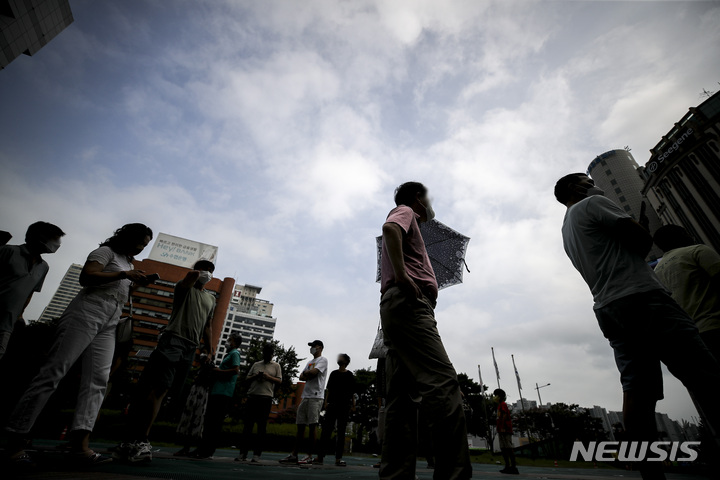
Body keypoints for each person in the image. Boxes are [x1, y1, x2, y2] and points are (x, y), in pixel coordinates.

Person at [555, 173, 720, 479]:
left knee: (637, 392)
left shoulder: (566, 228)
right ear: (573, 188)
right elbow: (641, 242)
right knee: (705, 374)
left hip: (608, 308)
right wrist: (640, 228)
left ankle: (649, 472)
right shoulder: (594, 203)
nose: (591, 182)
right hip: (643, 297)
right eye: (585, 179)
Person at [5, 223, 152, 465]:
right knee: (53, 372)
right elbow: (87, 277)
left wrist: (135, 282)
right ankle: (15, 440)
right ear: (128, 237)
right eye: (140, 242)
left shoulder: (128, 263)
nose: (140, 248)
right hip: (87, 311)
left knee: (98, 380)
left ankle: (79, 444)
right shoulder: (105, 253)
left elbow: (121, 286)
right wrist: (124, 274)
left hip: (111, 318)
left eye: (145, 245)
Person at [379, 182, 472, 480]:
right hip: (409, 305)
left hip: (398, 307)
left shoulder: (414, 226)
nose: (430, 202)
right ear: (418, 198)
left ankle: (396, 474)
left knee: (402, 398)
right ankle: (453, 474)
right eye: (428, 196)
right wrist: (406, 277)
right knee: (443, 384)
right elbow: (391, 229)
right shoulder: (405, 210)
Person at [114, 259, 217, 463]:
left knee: (166, 392)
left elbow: (208, 325)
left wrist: (210, 349)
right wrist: (196, 273)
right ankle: (140, 439)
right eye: (203, 270)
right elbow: (188, 280)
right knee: (158, 388)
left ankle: (135, 439)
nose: (206, 273)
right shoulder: (183, 287)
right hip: (173, 340)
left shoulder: (211, 298)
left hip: (190, 347)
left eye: (210, 271)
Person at [653, 225, 720, 359]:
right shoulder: (698, 251)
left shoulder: (655, 272)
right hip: (715, 325)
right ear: (681, 236)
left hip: (688, 339)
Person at [0, 222, 64, 360]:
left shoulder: (44, 267)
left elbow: (30, 292)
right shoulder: (8, 251)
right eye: (54, 238)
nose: (57, 244)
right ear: (40, 237)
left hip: (7, 324)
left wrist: (20, 315)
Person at [192, 332, 242, 459]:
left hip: (223, 392)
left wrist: (218, 371)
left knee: (214, 422)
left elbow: (236, 370)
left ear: (235, 343)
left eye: (230, 340)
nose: (227, 342)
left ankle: (207, 450)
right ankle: (203, 448)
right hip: (217, 390)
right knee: (209, 421)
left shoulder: (235, 353)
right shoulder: (229, 354)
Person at [279, 340, 328, 465]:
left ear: (320, 348)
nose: (311, 348)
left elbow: (314, 373)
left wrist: (308, 374)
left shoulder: (322, 360)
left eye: (313, 346)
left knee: (312, 425)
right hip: (305, 396)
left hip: (316, 397)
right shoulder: (309, 362)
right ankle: (294, 454)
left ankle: (309, 455)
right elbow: (301, 376)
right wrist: (308, 374)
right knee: (300, 426)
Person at [237, 342, 282, 462]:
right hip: (252, 396)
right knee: (248, 426)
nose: (267, 355)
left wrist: (268, 377)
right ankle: (243, 453)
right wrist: (256, 376)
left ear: (272, 354)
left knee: (261, 427)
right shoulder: (256, 364)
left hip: (266, 398)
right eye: (265, 353)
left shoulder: (276, 366)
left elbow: (279, 381)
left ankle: (257, 454)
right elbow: (246, 378)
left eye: (269, 353)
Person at [173, 349, 214, 457]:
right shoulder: (199, 369)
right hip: (195, 393)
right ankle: (187, 448)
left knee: (196, 420)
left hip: (201, 394)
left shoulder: (209, 368)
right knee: (189, 419)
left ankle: (194, 448)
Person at [316, 353, 355, 466]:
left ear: (346, 361)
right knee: (326, 430)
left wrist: (353, 405)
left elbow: (352, 392)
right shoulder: (333, 373)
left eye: (341, 357)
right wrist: (326, 402)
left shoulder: (350, 375)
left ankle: (338, 458)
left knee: (341, 431)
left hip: (344, 406)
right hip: (333, 404)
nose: (339, 358)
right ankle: (320, 456)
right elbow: (329, 389)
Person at [493, 389, 518, 475]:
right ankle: (507, 466)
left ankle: (513, 467)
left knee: (508, 447)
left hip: (505, 429)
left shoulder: (503, 404)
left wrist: (503, 426)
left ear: (499, 396)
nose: (494, 397)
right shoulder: (500, 405)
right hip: (501, 429)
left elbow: (504, 415)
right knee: (503, 448)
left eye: (495, 395)